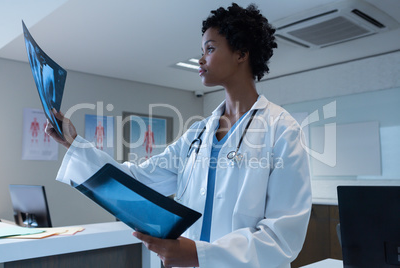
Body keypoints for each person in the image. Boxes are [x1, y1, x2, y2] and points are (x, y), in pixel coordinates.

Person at [46, 3, 311, 268]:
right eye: (202, 51)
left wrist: (200, 254)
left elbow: (282, 237)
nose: (201, 59)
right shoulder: (198, 133)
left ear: (241, 53)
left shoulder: (281, 129)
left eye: (210, 48)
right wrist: (74, 143)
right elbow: (141, 181)